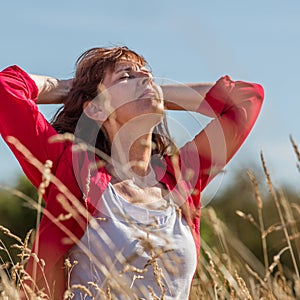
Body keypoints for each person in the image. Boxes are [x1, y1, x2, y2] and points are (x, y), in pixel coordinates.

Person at [0, 46, 264, 299]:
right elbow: (6, 87)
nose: (146, 78)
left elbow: (247, 99)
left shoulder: (180, 178)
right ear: (95, 108)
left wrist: (157, 93)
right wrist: (69, 89)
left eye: (147, 74)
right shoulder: (75, 173)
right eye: (126, 75)